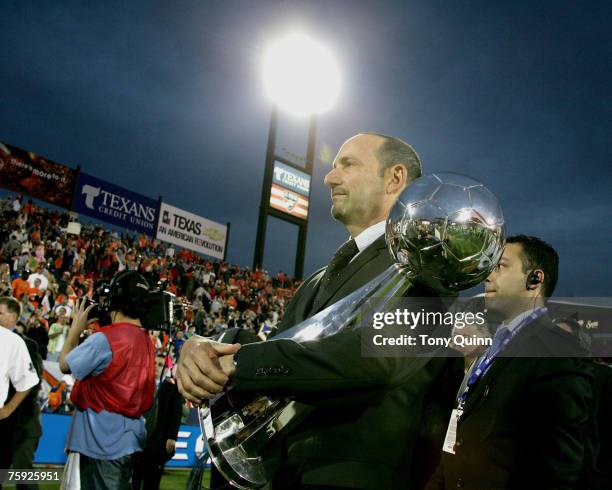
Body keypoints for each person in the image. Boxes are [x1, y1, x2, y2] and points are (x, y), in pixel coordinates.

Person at [178, 133, 463, 489]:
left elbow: (374, 359)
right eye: (332, 167)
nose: (329, 178)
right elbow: (285, 349)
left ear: (394, 179)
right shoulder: (316, 279)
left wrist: (239, 363)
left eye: (348, 164)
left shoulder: (431, 266)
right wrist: (209, 347)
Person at [426, 235, 593, 489]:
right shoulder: (495, 346)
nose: (487, 277)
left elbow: (556, 465)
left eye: (500, 266)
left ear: (535, 279)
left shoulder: (555, 349)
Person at [60, 271, 156, 490]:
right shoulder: (147, 341)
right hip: (129, 441)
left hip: (98, 443)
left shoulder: (106, 338)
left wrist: (75, 329)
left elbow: (66, 364)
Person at [0, 297, 41, 475]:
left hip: (23, 420)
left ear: (13, 316)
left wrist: (8, 408)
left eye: (0, 313)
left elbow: (30, 382)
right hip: (9, 420)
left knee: (24, 472)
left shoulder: (24, 344)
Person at [132, 357, 183, 490]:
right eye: (155, 363)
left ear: (166, 368)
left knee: (152, 480)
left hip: (158, 440)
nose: (157, 366)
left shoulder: (172, 387)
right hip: (138, 439)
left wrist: (172, 436)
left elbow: (176, 413)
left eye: (161, 364)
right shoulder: (141, 383)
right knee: (134, 478)